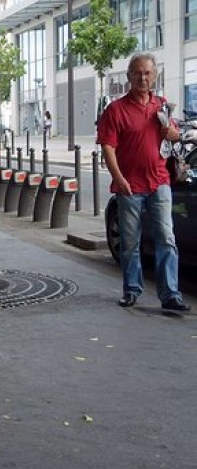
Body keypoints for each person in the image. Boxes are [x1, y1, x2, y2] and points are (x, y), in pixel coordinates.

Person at [97, 52, 190, 311]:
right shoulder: (115, 110)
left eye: (147, 73)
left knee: (166, 238)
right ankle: (131, 290)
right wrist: (118, 178)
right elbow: (108, 147)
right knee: (130, 242)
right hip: (129, 186)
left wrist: (173, 133)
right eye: (137, 73)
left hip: (159, 182)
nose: (143, 77)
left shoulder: (161, 106)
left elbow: (173, 137)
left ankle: (170, 294)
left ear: (155, 76)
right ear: (128, 77)